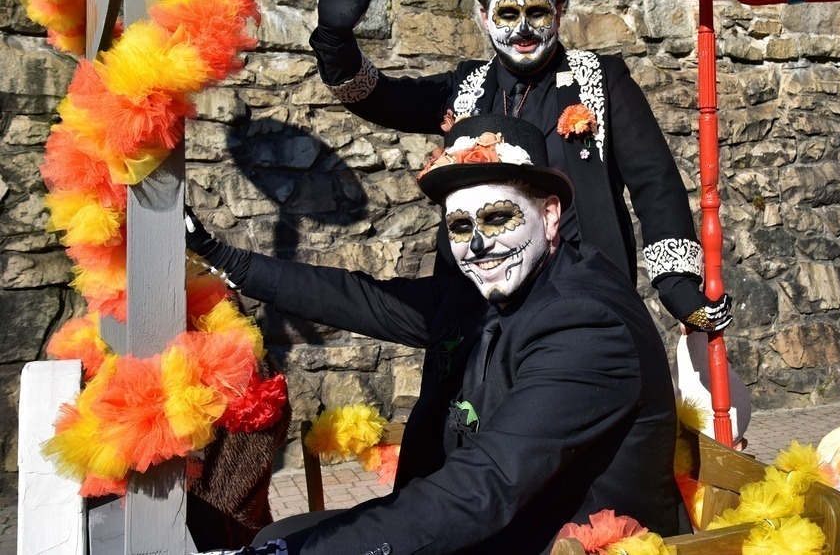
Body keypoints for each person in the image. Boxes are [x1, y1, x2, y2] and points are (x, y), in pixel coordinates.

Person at [187, 114, 688, 554]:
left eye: (498, 217)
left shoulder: (586, 322)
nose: (479, 245)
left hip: (555, 542)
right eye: (460, 227)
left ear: (550, 215)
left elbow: (487, 485)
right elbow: (361, 299)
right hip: (486, 524)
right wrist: (221, 256)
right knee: (280, 536)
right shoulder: (479, 293)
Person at [309, 0, 733, 335]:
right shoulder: (465, 87)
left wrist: (676, 283)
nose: (523, 29)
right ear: (483, 17)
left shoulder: (603, 80)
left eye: (537, 12)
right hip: (479, 309)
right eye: (508, 13)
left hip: (581, 301)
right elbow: (381, 98)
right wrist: (336, 41)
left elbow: (654, 181)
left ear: (559, 12)